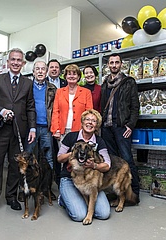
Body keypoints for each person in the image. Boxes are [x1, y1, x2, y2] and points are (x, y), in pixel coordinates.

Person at [0, 48, 36, 218]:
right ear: (8, 62)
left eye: (19, 60)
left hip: (19, 130)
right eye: (13, 59)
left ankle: (11, 197)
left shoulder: (28, 83)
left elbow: (30, 107)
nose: (16, 62)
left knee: (14, 165)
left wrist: (32, 127)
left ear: (23, 63)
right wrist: (2, 111)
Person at [57, 109, 111, 222]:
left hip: (88, 180)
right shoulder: (71, 137)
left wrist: (94, 165)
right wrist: (73, 154)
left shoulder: (99, 142)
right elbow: (59, 158)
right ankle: (63, 198)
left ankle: (77, 201)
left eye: (94, 121)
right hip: (69, 178)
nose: (90, 122)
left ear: (97, 126)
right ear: (82, 122)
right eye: (87, 119)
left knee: (104, 214)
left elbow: (107, 165)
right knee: (79, 215)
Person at [100, 53, 140, 201]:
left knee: (127, 159)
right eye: (111, 63)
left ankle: (134, 193)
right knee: (111, 160)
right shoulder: (105, 84)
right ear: (108, 65)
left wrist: (130, 125)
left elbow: (135, 106)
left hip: (121, 126)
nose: (114, 65)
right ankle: (115, 191)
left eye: (117, 62)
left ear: (121, 64)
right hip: (106, 127)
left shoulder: (128, 82)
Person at [24, 60, 57, 200]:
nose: (40, 71)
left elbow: (56, 109)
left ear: (46, 71)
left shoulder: (52, 88)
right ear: (33, 72)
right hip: (30, 128)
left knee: (48, 158)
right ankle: (25, 188)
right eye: (37, 69)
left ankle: (46, 189)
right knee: (27, 157)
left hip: (46, 128)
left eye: (43, 69)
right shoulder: (27, 87)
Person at [51, 64, 93, 141]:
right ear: (65, 76)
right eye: (69, 74)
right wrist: (56, 129)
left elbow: (89, 113)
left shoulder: (86, 92)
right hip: (62, 130)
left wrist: (86, 129)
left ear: (78, 77)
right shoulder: (59, 92)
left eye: (74, 74)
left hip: (80, 130)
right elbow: (55, 112)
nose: (71, 76)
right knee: (63, 152)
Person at [46, 59, 67, 187]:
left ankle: (61, 180)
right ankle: (48, 182)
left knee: (62, 152)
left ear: (60, 70)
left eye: (56, 67)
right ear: (48, 69)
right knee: (50, 153)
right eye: (52, 67)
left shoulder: (65, 83)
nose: (54, 69)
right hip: (48, 122)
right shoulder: (43, 83)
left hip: (63, 122)